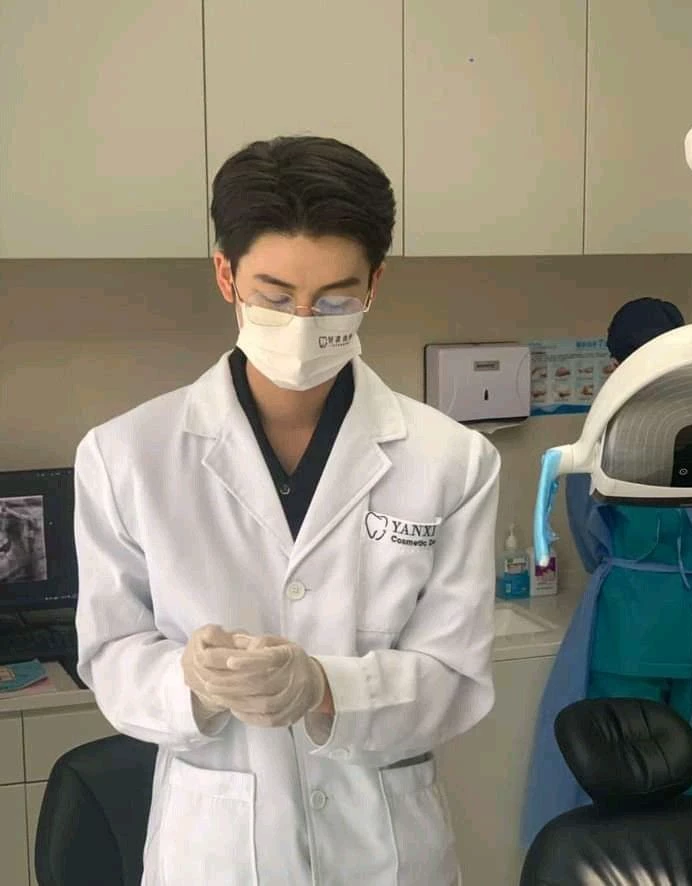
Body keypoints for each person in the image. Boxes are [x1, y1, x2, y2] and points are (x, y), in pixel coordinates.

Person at [73, 136, 501, 886]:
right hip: (216, 852)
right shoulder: (126, 456)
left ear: (373, 285)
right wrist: (191, 681)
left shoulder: (451, 460)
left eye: (333, 300)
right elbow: (111, 657)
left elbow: (455, 677)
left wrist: (326, 687)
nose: (303, 322)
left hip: (386, 848)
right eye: (274, 297)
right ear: (225, 275)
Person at [522, 297, 692, 847]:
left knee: (619, 774)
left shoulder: (602, 430)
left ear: (615, 363)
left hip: (627, 625)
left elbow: (588, 535)